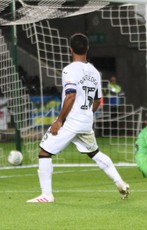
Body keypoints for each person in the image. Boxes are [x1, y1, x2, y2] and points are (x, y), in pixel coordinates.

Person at [27, 33, 129, 203]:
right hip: (86, 121)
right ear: (87, 49)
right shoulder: (95, 72)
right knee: (95, 153)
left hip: (71, 121)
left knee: (44, 152)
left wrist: (59, 121)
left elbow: (71, 95)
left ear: (70, 49)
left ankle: (46, 195)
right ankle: (120, 182)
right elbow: (97, 100)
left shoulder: (69, 70)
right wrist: (88, 113)